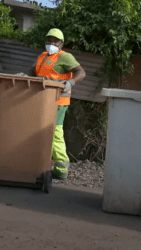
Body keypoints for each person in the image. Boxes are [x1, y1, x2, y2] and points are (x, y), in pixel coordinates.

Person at [32, 28, 86, 179]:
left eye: (54, 41)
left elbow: (81, 72)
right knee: (41, 132)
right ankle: (38, 163)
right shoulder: (43, 56)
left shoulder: (65, 57)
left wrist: (71, 82)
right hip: (42, 100)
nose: (51, 43)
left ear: (61, 44)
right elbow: (35, 72)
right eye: (49, 40)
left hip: (58, 102)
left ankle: (62, 169)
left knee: (55, 132)